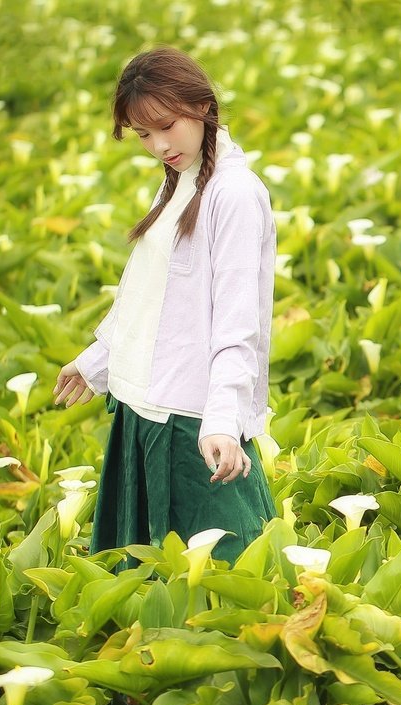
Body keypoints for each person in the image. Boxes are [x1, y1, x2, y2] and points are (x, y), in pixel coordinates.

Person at [51, 47, 276, 568]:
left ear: (201, 105)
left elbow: (239, 323)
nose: (158, 145)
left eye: (166, 126)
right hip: (145, 408)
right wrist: (99, 359)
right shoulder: (181, 179)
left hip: (192, 420)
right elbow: (151, 294)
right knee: (152, 584)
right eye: (143, 135)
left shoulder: (234, 194)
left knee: (231, 577)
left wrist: (223, 419)